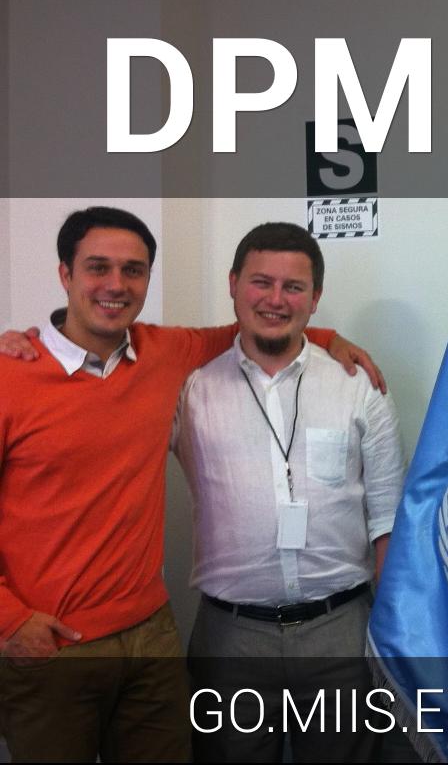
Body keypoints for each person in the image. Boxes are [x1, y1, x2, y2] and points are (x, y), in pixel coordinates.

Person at [0, 207, 381, 762]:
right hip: (54, 645)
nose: (116, 284)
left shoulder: (161, 354)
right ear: (65, 273)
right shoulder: (11, 374)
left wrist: (328, 337)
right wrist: (9, 619)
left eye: (133, 270)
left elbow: (260, 327)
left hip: (151, 635)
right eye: (98, 267)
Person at [175, 222, 403, 762]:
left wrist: (391, 631)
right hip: (230, 641)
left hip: (340, 634)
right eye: (261, 282)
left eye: (293, 287)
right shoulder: (190, 389)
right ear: (233, 285)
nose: (275, 299)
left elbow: (388, 519)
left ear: (315, 298)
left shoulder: (357, 385)